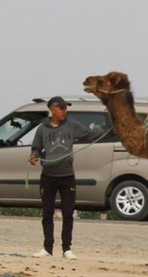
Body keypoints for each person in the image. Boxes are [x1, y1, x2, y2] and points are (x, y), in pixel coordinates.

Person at [29, 96, 100, 260]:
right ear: (53, 109)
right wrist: (34, 156)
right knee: (47, 213)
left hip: (67, 176)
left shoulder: (72, 125)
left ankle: (67, 248)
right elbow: (36, 148)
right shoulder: (42, 129)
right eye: (62, 108)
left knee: (68, 213)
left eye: (65, 108)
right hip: (48, 176)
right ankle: (47, 248)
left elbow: (89, 135)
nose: (65, 111)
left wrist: (111, 130)